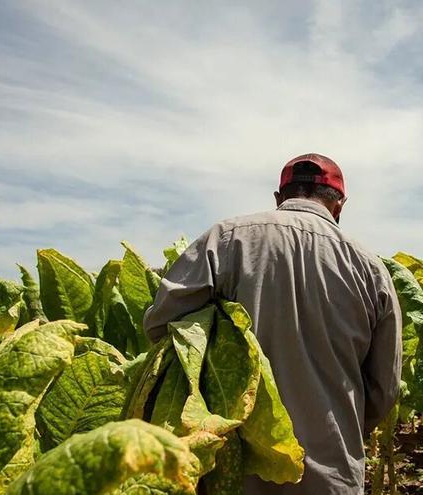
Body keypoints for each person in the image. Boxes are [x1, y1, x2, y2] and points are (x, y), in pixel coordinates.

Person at [143, 153, 402, 495]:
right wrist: (341, 424)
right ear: (339, 206)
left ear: (280, 198)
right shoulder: (371, 270)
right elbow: (384, 389)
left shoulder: (225, 239)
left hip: (234, 470)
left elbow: (161, 325)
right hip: (329, 471)